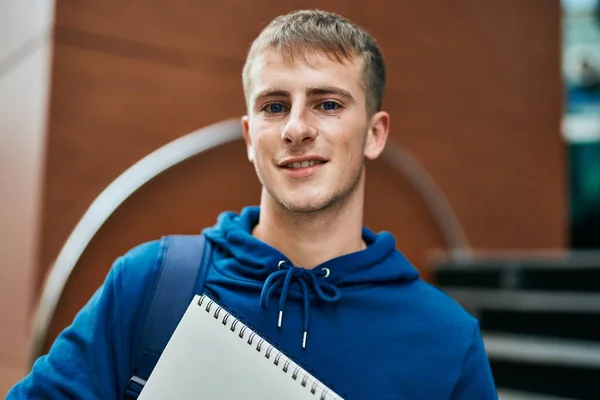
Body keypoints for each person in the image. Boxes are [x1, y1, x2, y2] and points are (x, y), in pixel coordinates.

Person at [7, 9, 498, 399]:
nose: (296, 128)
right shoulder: (149, 282)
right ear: (249, 136)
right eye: (274, 106)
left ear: (374, 134)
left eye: (328, 104)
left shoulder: (447, 341)